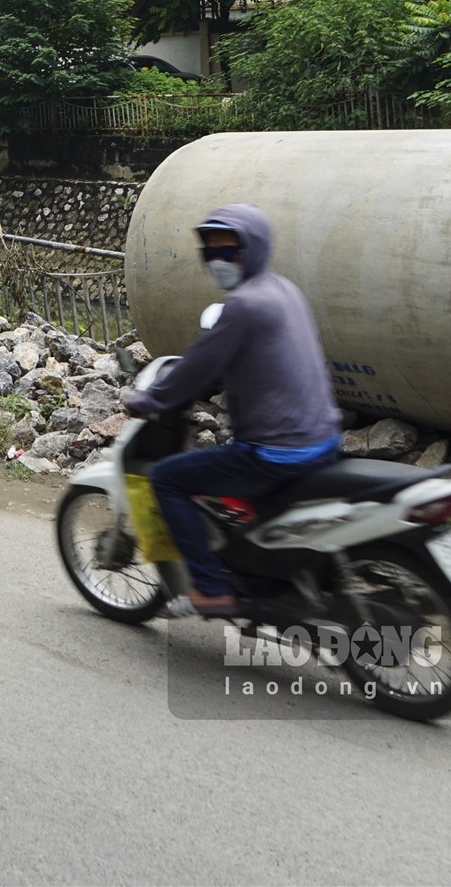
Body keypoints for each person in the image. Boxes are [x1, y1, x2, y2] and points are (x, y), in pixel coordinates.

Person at [124, 203, 343, 618]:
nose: (219, 260)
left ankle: (210, 588)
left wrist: (148, 400)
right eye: (212, 250)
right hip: (323, 439)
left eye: (231, 250)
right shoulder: (284, 290)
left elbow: (197, 367)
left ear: (253, 249)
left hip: (277, 452)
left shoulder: (243, 305)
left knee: (168, 479)